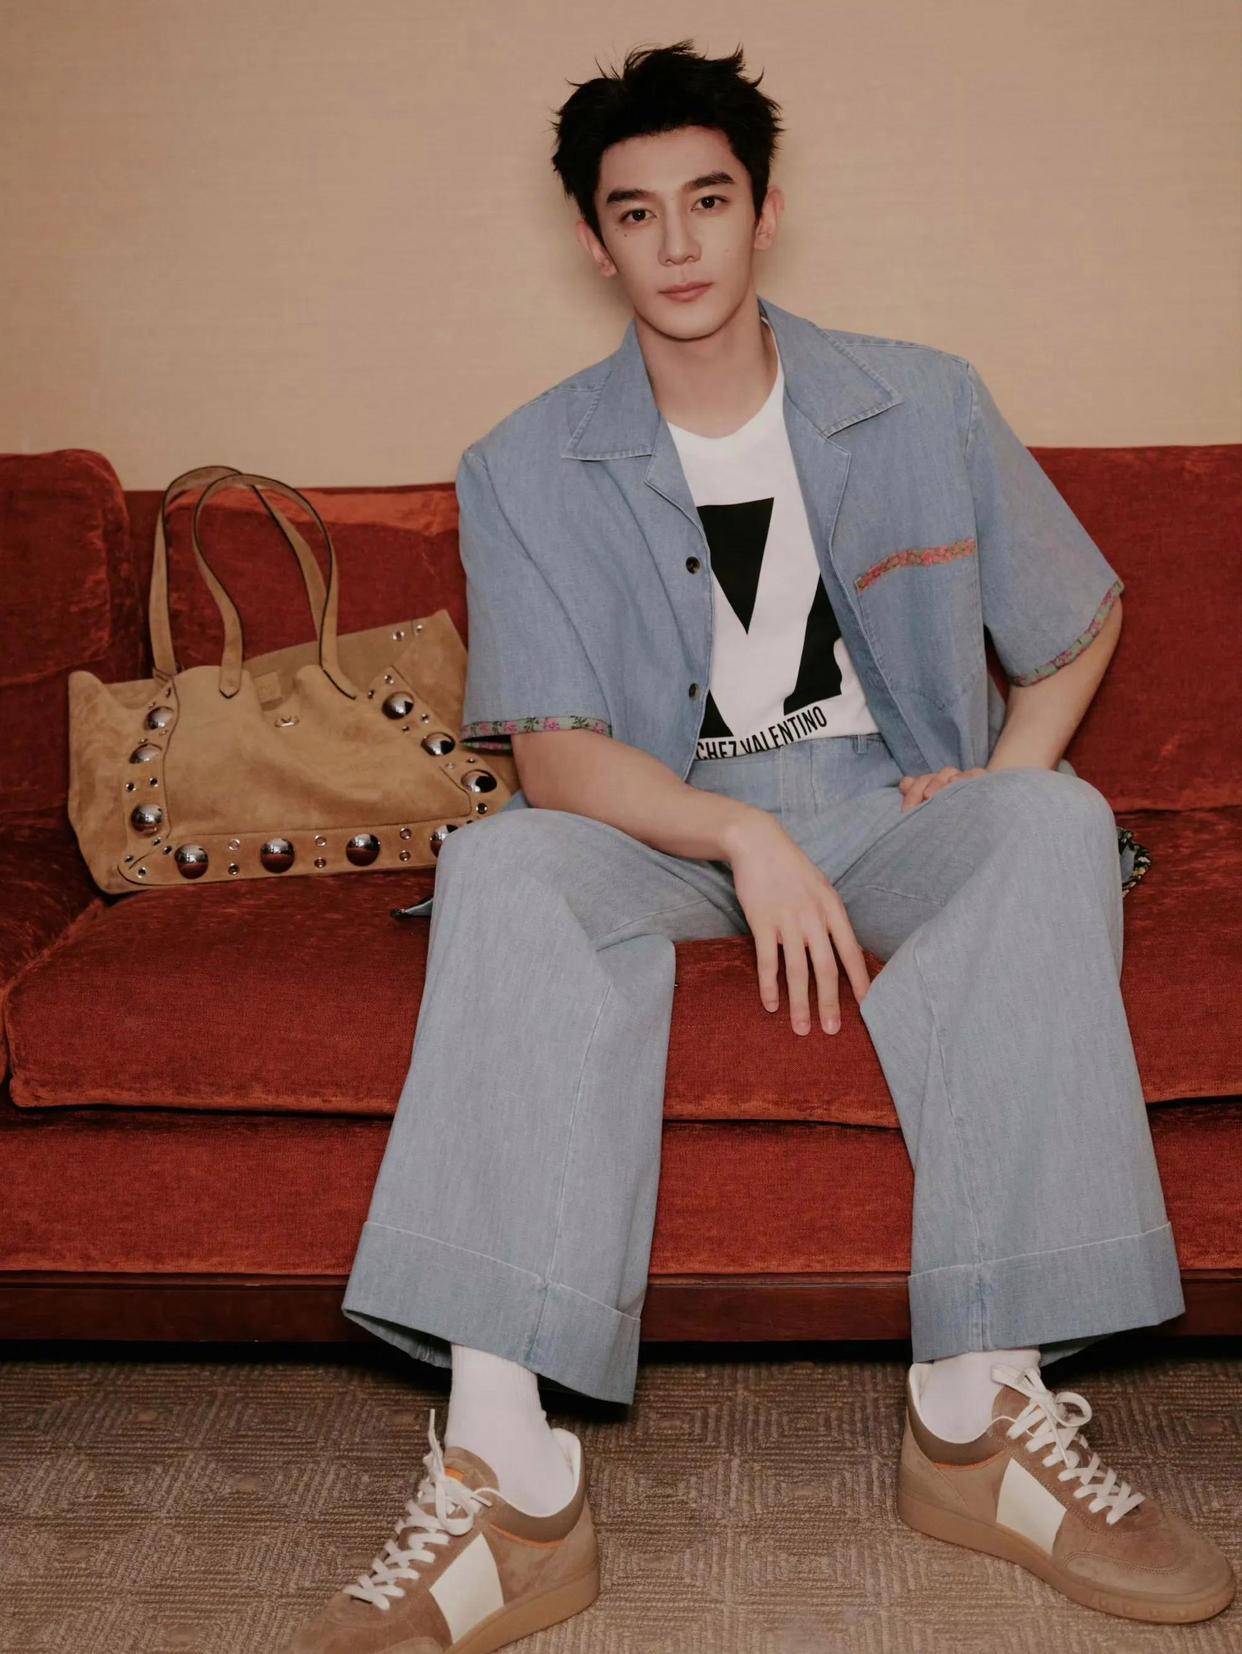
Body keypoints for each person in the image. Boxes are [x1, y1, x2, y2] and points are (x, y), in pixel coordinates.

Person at [285, 40, 1234, 1652]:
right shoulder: (522, 464)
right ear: (592, 241)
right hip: (662, 823)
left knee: (1051, 820)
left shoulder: (921, 399)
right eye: (634, 211)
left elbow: (1077, 617)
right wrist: (734, 831)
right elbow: (557, 757)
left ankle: (977, 1417)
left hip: (882, 803)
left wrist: (992, 775)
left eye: (707, 200)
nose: (676, 243)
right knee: (499, 862)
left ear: (764, 212)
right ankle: (509, 1485)